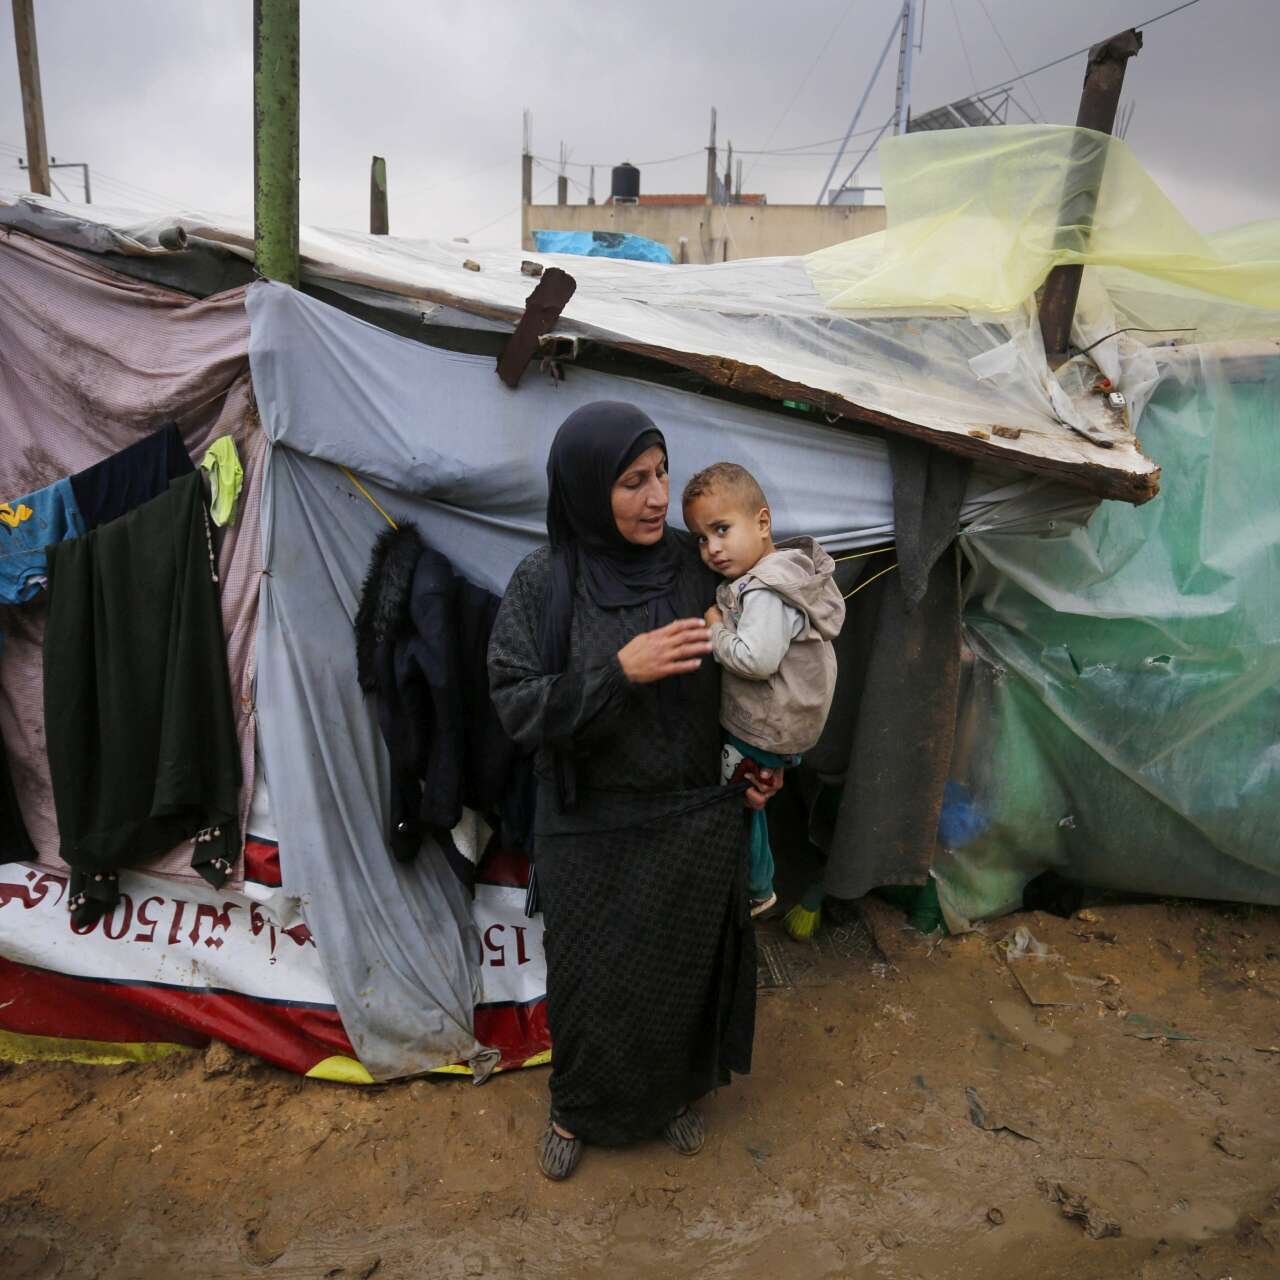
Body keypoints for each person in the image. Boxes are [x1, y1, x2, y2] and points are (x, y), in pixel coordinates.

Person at [487, 402, 781, 1181]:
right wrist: (620, 672)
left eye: (660, 475)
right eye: (631, 482)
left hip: (690, 815)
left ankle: (676, 1095)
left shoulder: (699, 565)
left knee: (683, 965)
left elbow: (758, 674)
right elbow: (517, 705)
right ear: (587, 490)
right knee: (589, 977)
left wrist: (758, 759)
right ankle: (574, 1107)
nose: (657, 497)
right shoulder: (545, 582)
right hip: (588, 826)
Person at [682, 462, 845, 918]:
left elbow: (756, 659)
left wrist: (715, 630)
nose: (712, 548)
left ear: (763, 522)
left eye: (721, 529)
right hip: (786, 724)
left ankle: (754, 889)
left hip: (763, 728)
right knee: (750, 802)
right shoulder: (787, 576)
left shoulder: (766, 591)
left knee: (735, 804)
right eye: (701, 538)